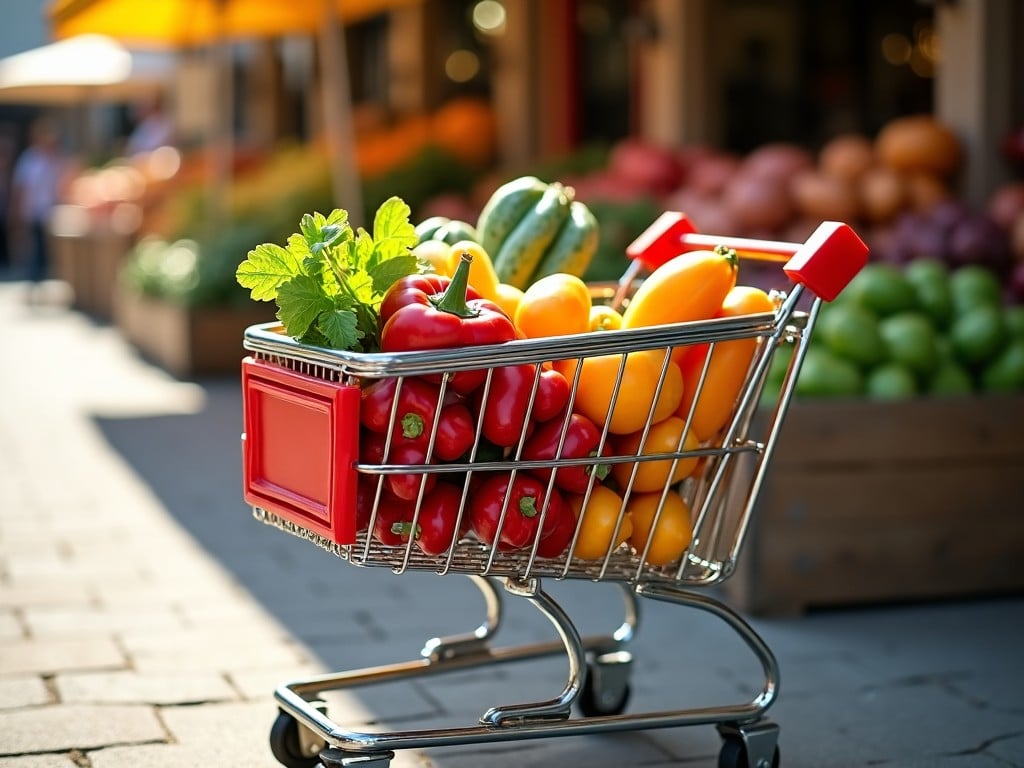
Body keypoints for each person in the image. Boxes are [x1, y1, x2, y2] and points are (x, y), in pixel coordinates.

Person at [9, 117, 71, 289]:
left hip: (53, 211)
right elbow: (21, 188)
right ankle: (35, 281)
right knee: (35, 249)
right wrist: (17, 211)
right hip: (34, 211)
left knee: (50, 249)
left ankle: (47, 279)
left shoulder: (56, 158)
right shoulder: (30, 159)